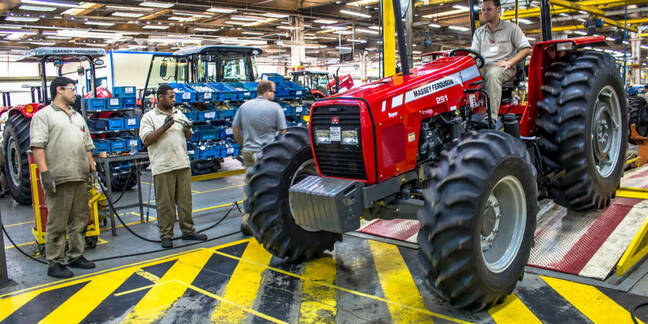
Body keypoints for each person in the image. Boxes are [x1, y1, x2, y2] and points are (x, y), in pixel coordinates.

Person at [29, 77, 97, 278]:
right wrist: (45, 172)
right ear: (59, 90)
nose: (75, 93)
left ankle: (76, 255)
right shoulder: (44, 116)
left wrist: (91, 169)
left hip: (79, 175)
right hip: (59, 177)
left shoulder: (77, 116)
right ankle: (55, 262)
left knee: (80, 220)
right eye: (72, 89)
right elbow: (38, 145)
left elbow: (87, 145)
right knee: (57, 222)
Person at [139, 85, 207, 248]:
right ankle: (166, 235)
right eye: (170, 96)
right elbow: (146, 140)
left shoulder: (179, 113)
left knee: (185, 202)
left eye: (174, 97)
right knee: (165, 204)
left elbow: (188, 136)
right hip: (163, 166)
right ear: (160, 97)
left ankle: (188, 231)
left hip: (182, 163)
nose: (174, 99)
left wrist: (187, 129)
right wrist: (164, 127)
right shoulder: (149, 117)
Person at [233, 80, 287, 235]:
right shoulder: (275, 108)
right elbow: (283, 133)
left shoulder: (245, 106)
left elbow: (235, 128)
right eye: (274, 92)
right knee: (270, 188)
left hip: (249, 152)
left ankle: (247, 221)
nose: (274, 95)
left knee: (250, 185)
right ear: (267, 91)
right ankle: (268, 222)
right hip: (268, 155)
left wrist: (243, 144)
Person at [471, 0, 531, 122]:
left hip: (505, 68)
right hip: (484, 67)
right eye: (483, 10)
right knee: (464, 76)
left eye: (488, 9)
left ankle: (491, 118)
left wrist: (510, 62)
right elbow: (473, 54)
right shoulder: (479, 32)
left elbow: (526, 49)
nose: (485, 12)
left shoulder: (511, 28)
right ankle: (464, 115)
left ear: (498, 9)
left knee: (493, 74)